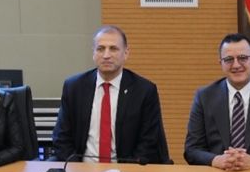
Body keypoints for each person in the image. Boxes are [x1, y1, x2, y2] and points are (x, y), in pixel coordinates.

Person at [51, 25, 167, 163]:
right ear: (93, 53)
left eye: (113, 49)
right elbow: (61, 138)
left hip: (127, 170)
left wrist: (125, 171)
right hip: (82, 169)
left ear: (126, 53)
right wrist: (78, 169)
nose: (106, 55)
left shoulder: (144, 90)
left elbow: (149, 143)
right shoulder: (74, 87)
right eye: (100, 49)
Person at [184, 33, 250, 170]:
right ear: (221, 63)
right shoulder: (205, 97)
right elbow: (192, 150)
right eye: (229, 59)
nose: (236, 65)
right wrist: (216, 160)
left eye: (242, 58)